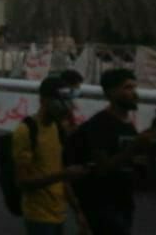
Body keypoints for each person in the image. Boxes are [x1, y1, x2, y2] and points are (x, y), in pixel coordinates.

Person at [66, 68, 155, 235]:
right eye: (128, 88)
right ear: (111, 92)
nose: (134, 94)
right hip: (102, 203)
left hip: (123, 200)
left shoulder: (128, 125)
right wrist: (134, 147)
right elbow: (103, 167)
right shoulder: (99, 125)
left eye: (134, 88)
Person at [14, 77, 92, 235]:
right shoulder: (26, 131)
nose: (66, 107)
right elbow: (23, 182)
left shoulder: (57, 128)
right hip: (38, 215)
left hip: (58, 212)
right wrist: (63, 174)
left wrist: (78, 211)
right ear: (44, 100)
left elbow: (60, 172)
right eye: (60, 101)